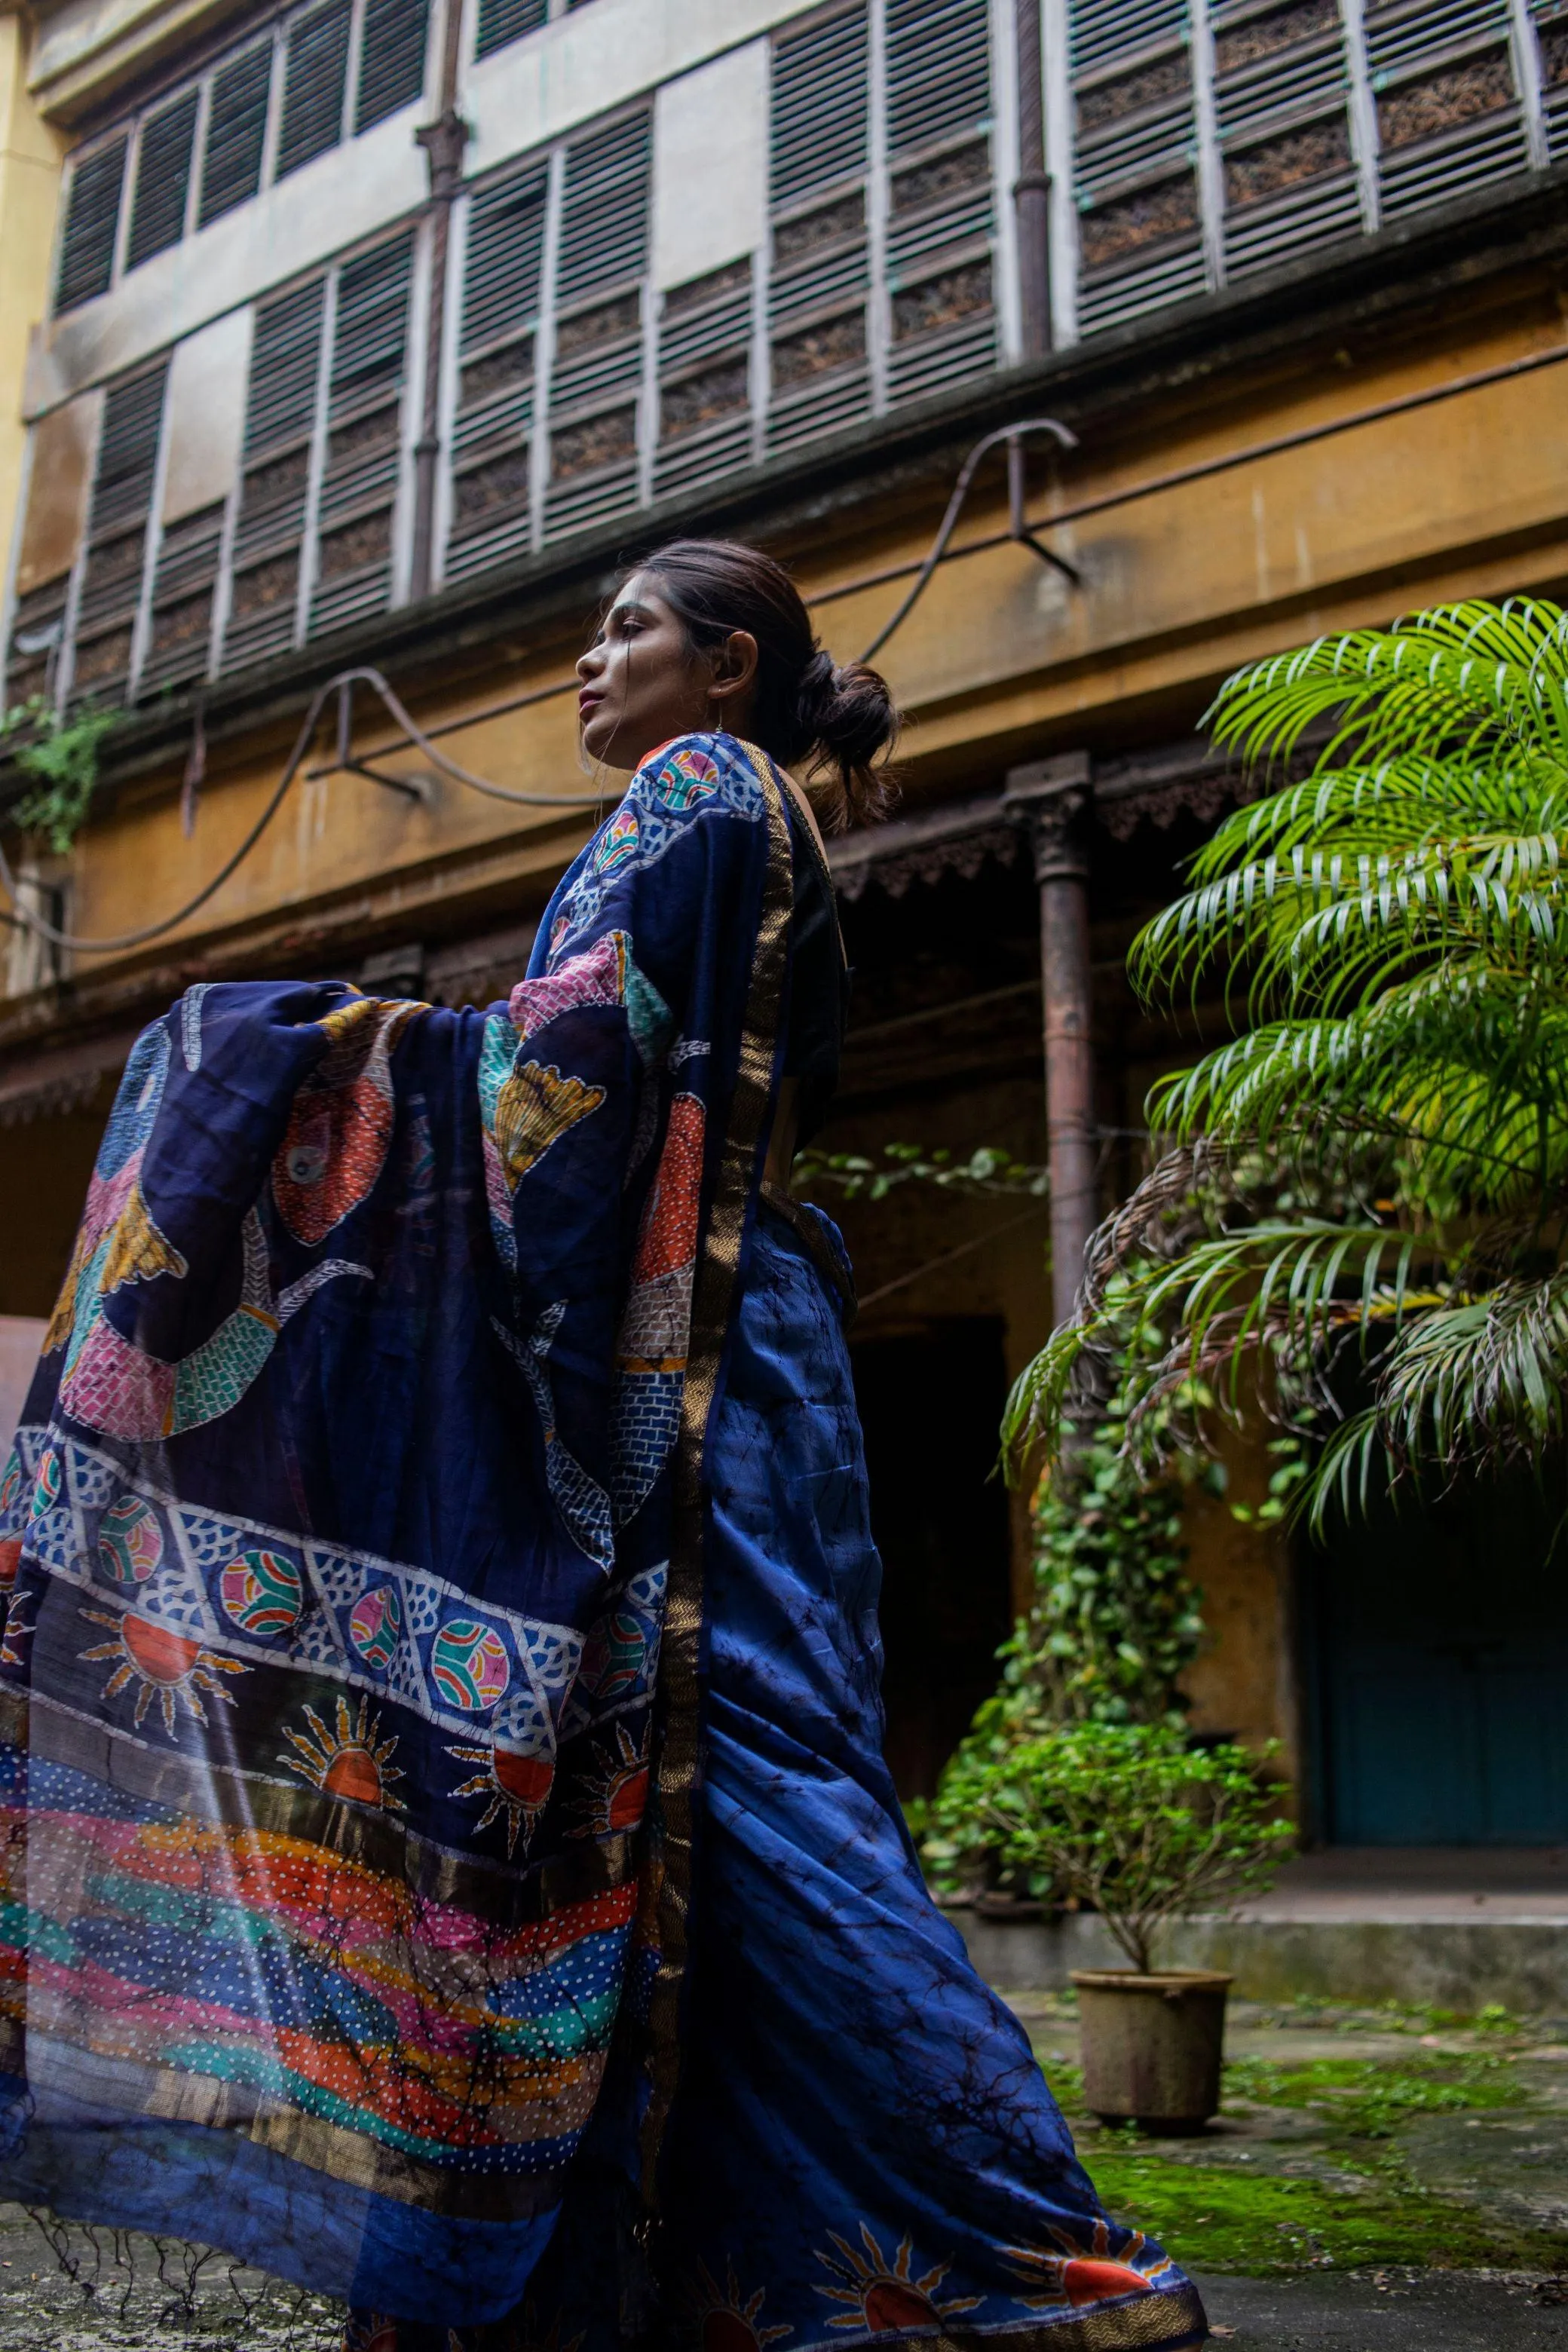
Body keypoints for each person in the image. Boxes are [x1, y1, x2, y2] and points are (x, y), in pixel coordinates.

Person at [0, 540, 1206, 2352]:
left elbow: (555, 1101)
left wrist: (315, 1051)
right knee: (697, 1818)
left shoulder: (699, 793)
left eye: (627, 628)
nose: (587, 660)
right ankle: (689, 2274)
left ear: (728, 668)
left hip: (694, 1374)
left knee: (776, 1812)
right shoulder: (723, 805)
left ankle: (1036, 2263)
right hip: (737, 1351)